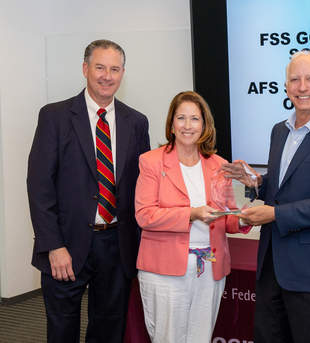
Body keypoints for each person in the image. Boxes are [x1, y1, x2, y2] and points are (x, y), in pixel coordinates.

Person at [222, 50, 310, 343]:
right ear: (285, 87)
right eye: (294, 79)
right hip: (272, 267)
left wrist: (273, 214)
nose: (302, 86)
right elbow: (286, 187)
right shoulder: (279, 131)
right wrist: (258, 183)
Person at [27, 39, 151, 343]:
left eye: (114, 69)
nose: (106, 76)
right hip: (65, 246)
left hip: (117, 244)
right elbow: (39, 187)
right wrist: (53, 246)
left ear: (123, 73)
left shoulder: (136, 122)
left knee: (109, 330)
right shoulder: (54, 117)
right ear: (85, 69)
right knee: (62, 330)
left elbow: (143, 187)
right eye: (99, 67)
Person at [134, 91, 252, 343]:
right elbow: (145, 215)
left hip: (208, 267)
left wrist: (245, 218)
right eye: (181, 118)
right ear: (172, 124)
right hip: (164, 271)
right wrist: (191, 214)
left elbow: (227, 217)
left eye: (195, 119)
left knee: (200, 338)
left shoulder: (219, 164)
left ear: (204, 125)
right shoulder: (151, 162)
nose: (188, 126)